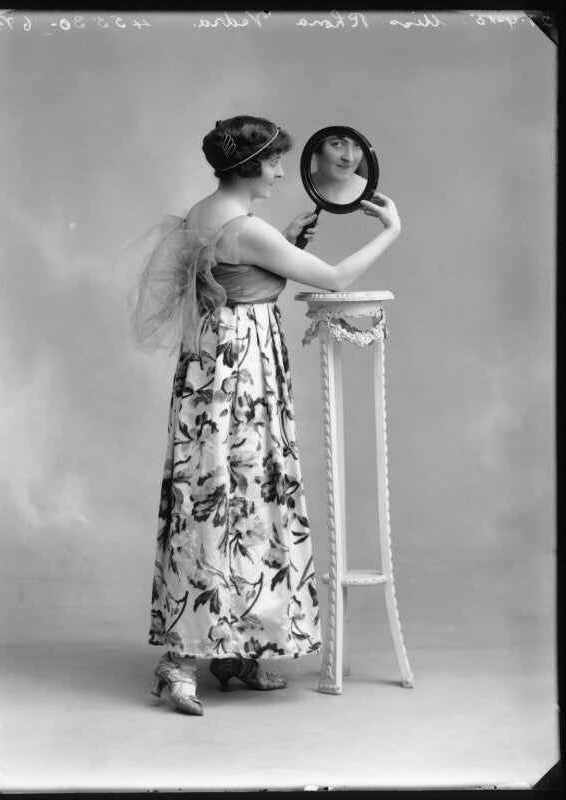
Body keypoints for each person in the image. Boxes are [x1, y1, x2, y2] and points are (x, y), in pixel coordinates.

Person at [130, 115, 401, 716]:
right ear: (250, 165)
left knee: (227, 492)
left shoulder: (207, 211)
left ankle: (232, 651)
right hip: (239, 366)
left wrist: (285, 241)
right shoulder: (245, 227)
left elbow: (239, 270)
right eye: (275, 161)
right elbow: (334, 278)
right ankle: (181, 659)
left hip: (213, 361)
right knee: (232, 493)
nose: (281, 172)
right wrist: (392, 230)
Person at [310, 134, 368, 205]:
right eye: (337, 144)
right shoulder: (298, 189)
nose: (349, 158)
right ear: (317, 147)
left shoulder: (370, 193)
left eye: (357, 145)